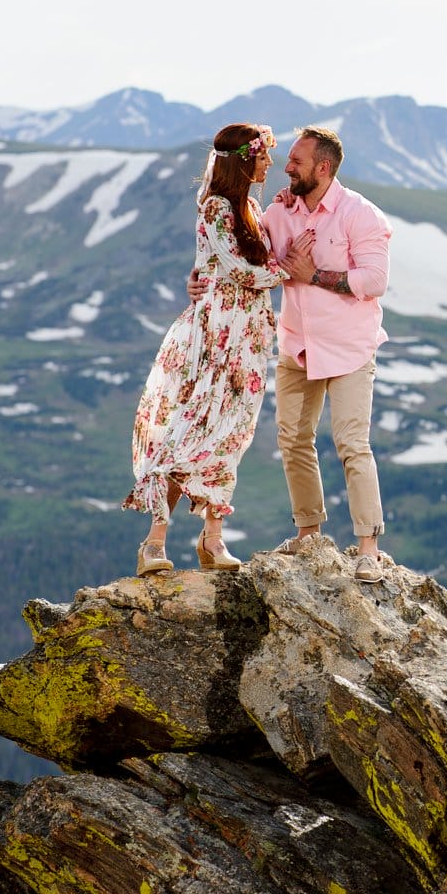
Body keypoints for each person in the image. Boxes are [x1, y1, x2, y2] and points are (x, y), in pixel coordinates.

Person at [187, 125, 394, 583]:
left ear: (323, 167)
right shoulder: (279, 213)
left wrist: (314, 274)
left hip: (349, 347)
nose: (286, 167)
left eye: (296, 161)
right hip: (297, 344)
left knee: (351, 443)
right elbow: (240, 256)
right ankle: (308, 533)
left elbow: (374, 282)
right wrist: (199, 279)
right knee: (294, 440)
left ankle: (368, 547)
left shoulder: (360, 214)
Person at [123, 122, 302, 575]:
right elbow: (241, 271)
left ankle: (212, 538)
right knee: (187, 431)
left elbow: (230, 267)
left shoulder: (252, 208)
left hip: (247, 337)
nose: (269, 163)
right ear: (245, 159)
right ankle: (154, 542)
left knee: (231, 435)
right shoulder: (216, 208)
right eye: (262, 156)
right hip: (214, 334)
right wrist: (289, 270)